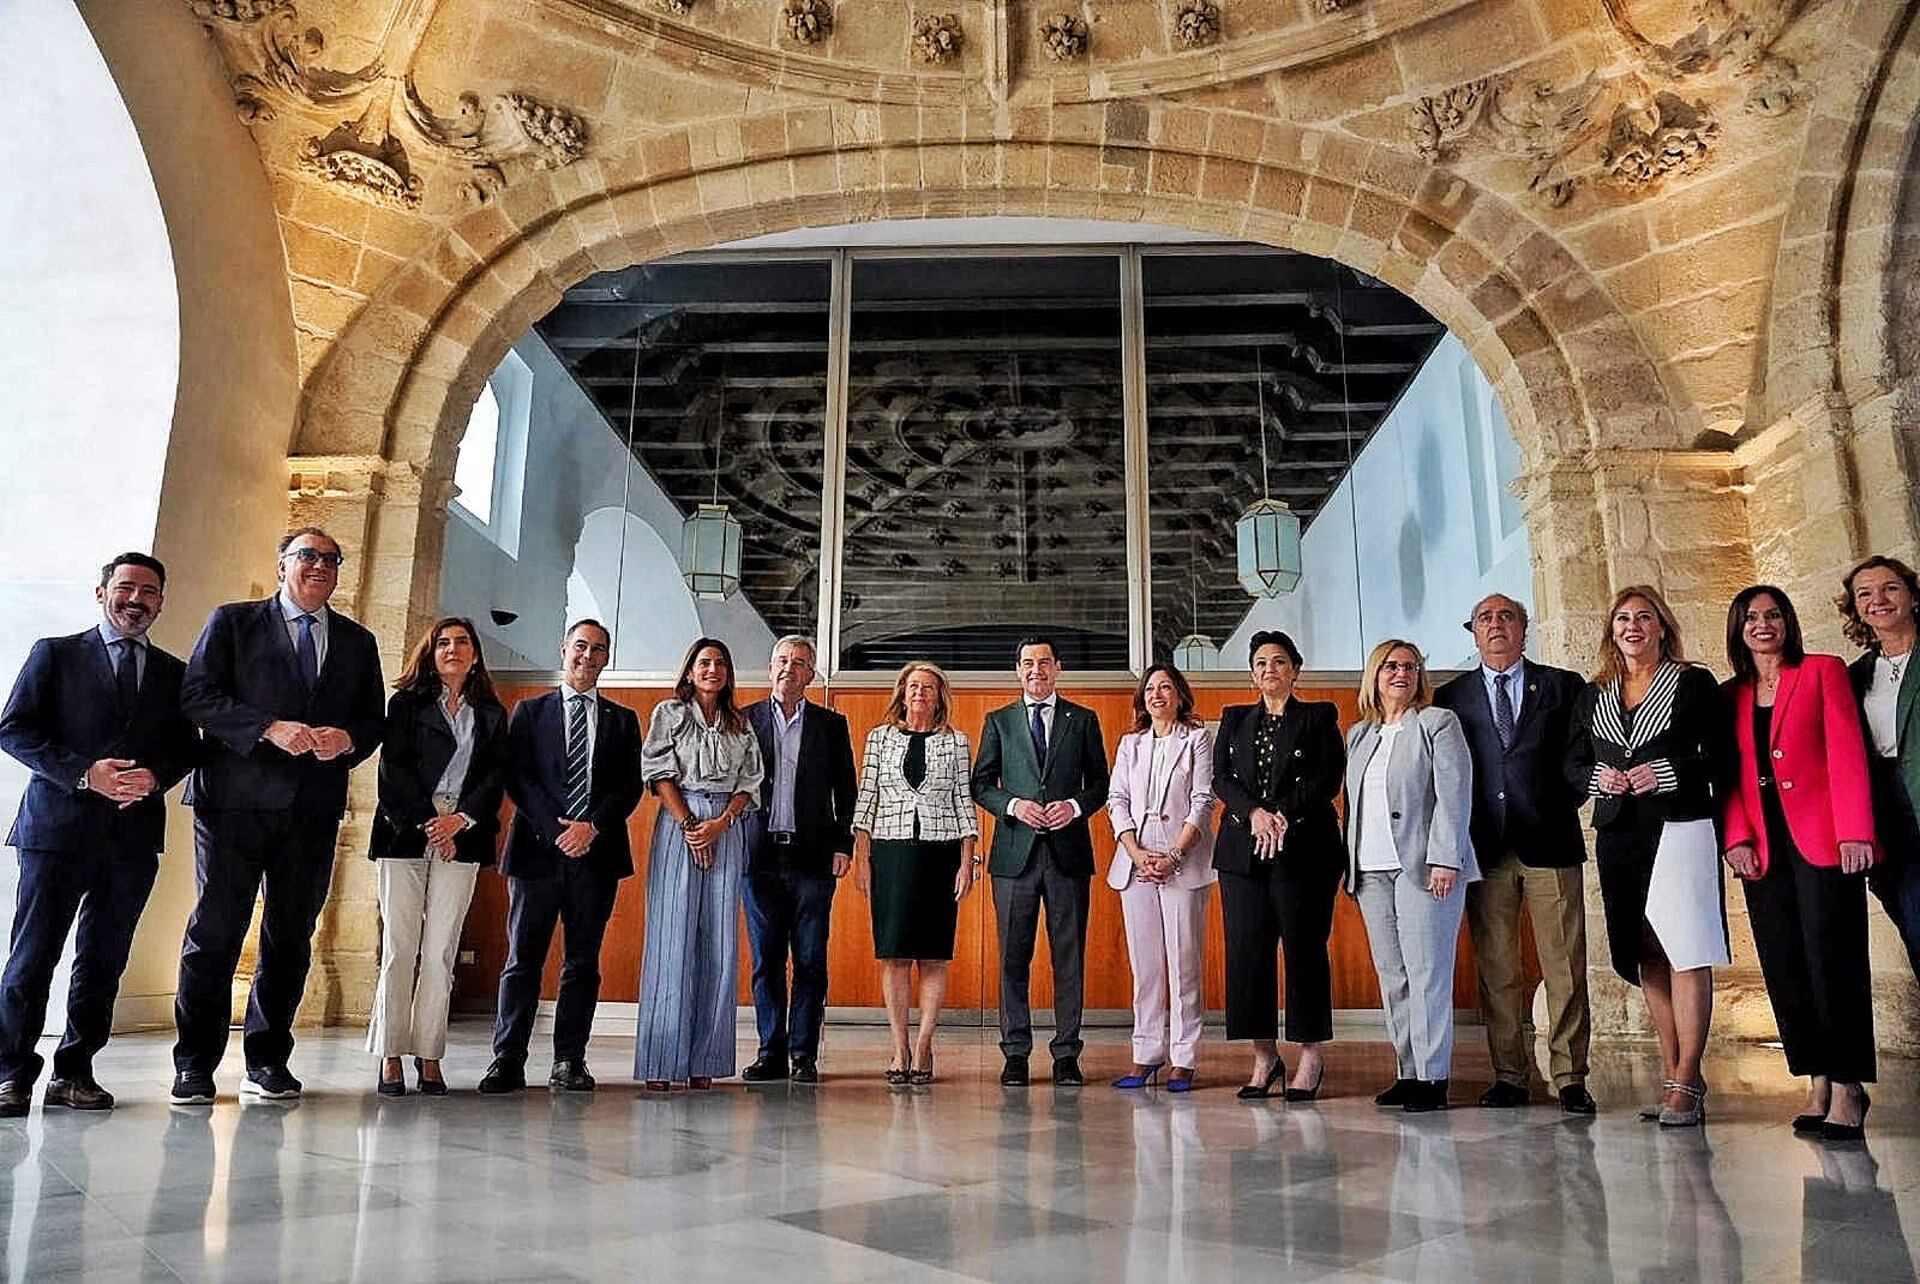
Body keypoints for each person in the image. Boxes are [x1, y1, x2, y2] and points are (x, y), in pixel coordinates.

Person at [171, 528, 385, 1105]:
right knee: (215, 934)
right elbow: (197, 697)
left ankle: (267, 1061)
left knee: (290, 938)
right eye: (307, 556)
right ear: (282, 563)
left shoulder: (358, 642)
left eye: (330, 559)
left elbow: (371, 721)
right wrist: (268, 728)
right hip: (233, 805)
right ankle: (194, 1064)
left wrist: (347, 740)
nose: (319, 566)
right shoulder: (233, 622)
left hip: (311, 813)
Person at [0, 553, 198, 1116]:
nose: (136, 599)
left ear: (161, 601)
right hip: (55, 832)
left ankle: (75, 1070)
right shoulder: (55, 654)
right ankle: (10, 1073)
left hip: (131, 840)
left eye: (149, 592)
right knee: (32, 956)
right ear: (101, 592)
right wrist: (86, 774)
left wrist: (156, 776)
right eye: (126, 587)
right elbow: (13, 729)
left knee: (104, 960)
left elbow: (188, 746)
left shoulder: (173, 674)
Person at [1565, 585, 1734, 1128]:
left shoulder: (1692, 682)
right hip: (1619, 832)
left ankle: (1688, 1075)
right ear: (1611, 632)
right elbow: (1570, 766)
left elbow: (1722, 757)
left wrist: (1665, 773)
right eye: (1622, 619)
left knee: (1684, 947)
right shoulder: (1595, 694)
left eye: (1643, 617)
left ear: (1662, 627)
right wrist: (1599, 778)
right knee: (1646, 955)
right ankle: (1674, 1071)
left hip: (1679, 826)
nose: (1632, 626)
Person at [1720, 585, 1877, 1139]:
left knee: (1833, 958)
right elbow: (1727, 776)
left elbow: (1847, 751)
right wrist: (1735, 836)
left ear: (1787, 621)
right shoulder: (1731, 694)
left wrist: (1855, 829)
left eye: (1773, 615)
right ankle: (1816, 1077)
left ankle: (1849, 1085)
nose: (1764, 625)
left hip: (1824, 837)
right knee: (1784, 963)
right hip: (1763, 846)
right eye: (1752, 618)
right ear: (1739, 628)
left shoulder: (1822, 671)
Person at [1433, 594, 1596, 1114]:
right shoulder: (1449, 696)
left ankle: (1570, 1075)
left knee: (1565, 963)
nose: (1496, 625)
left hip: (1550, 842)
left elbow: (1580, 756)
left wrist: (1557, 802)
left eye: (1507, 617)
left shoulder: (1563, 686)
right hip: (1484, 848)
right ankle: (1509, 1074)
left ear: (1524, 629)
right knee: (1498, 967)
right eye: (1485, 618)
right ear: (1473, 632)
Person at [478, 619, 644, 1095]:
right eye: (580, 646)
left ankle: (570, 1060)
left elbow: (628, 786)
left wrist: (591, 827)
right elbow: (518, 778)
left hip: (596, 855)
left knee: (582, 964)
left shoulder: (621, 720)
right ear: (563, 649)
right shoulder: (529, 712)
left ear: (606, 658)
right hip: (536, 854)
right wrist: (557, 831)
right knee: (521, 960)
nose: (588, 656)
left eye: (598, 649)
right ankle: (507, 1059)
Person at [365, 617, 509, 1096]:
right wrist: (431, 823)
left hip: (462, 832)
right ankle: (390, 1055)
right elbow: (394, 773)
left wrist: (459, 821)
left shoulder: (490, 712)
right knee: (399, 948)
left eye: (462, 642)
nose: (453, 649)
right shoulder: (405, 704)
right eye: (443, 642)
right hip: (405, 829)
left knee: (442, 950)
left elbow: (493, 779)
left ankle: (429, 1056)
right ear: (430, 651)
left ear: (475, 654)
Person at [1344, 639, 1478, 1113]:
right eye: (1390, 666)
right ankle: (1407, 1070)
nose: (1401, 673)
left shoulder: (1437, 723)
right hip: (1371, 869)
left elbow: (1454, 794)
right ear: (1374, 676)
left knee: (1427, 974)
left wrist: (1447, 858)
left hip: (1424, 867)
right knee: (1393, 975)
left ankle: (1433, 1076)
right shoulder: (1359, 736)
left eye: (1410, 667)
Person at [971, 636, 1110, 1088]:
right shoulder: (999, 721)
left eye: (1044, 662)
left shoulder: (1083, 720)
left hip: (1068, 855)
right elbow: (981, 785)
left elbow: (1101, 785)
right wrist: (1012, 805)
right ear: (1018, 670)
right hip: (1014, 858)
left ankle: (1067, 1054)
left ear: (1058, 668)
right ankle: (1015, 1052)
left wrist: (1074, 806)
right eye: (1028, 662)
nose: (1037, 669)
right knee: (1014, 957)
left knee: (1068, 958)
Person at [1211, 630, 1344, 1101]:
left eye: (1280, 662)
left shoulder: (1318, 716)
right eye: (1262, 663)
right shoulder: (1234, 719)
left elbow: (1328, 778)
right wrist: (1256, 814)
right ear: (1253, 674)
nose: (1271, 670)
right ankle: (1264, 1057)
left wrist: (1280, 813)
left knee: (1305, 949)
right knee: (1247, 952)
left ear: (1295, 670)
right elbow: (1221, 779)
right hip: (1242, 853)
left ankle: (1310, 1054)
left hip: (1304, 850)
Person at [636, 637, 765, 1090]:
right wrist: (692, 825)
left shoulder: (739, 722)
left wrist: (722, 823)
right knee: (672, 940)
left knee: (719, 943)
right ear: (690, 670)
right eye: (704, 662)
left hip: (727, 829)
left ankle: (703, 1061)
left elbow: (751, 780)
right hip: (678, 825)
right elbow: (658, 772)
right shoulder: (669, 714)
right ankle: (660, 1061)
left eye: (721, 663)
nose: (713, 669)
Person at [852, 662, 979, 1085]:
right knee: (894, 953)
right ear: (901, 694)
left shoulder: (956, 742)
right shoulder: (879, 739)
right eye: (913, 687)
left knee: (933, 955)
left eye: (928, 688)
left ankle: (924, 1045)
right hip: (891, 853)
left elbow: (965, 804)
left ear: (939, 696)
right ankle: (899, 1046)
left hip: (940, 854)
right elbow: (865, 800)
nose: (920, 693)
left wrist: (967, 860)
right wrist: (862, 856)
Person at [740, 636, 855, 1085]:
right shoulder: (743, 720)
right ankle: (771, 1050)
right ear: (770, 668)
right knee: (766, 960)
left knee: (810, 960)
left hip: (812, 859)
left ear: (811, 675)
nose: (790, 668)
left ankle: (804, 1054)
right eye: (783, 660)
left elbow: (846, 791)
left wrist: (843, 845)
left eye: (800, 662)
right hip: (759, 857)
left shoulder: (831, 724)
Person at [1106, 663, 1215, 1093]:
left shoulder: (1197, 739)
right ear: (1142, 699)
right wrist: (1135, 852)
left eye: (1165, 687)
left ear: (1180, 695)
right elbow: (1117, 799)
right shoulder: (1130, 744)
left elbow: (1204, 800)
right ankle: (1146, 1053)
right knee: (1146, 965)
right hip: (1135, 858)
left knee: (1183, 961)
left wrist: (1173, 854)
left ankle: (1183, 1058)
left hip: (1181, 855)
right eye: (1150, 688)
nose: (1157, 694)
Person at [1840, 555, 1920, 979]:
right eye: (1864, 594)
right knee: (1910, 921)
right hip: (1885, 813)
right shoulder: (1856, 676)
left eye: (1890, 588)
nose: (1878, 600)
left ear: (1910, 594)